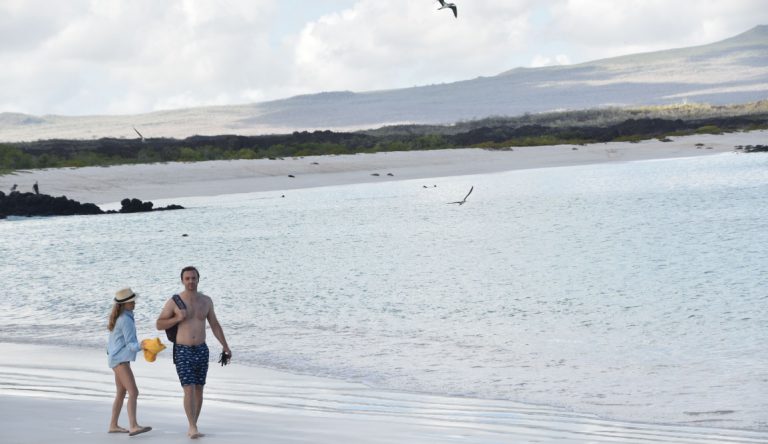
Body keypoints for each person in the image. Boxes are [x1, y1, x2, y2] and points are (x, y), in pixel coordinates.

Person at [156, 266, 231, 439]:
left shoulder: (206, 301)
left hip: (201, 349)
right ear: (182, 280)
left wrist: (225, 346)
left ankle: (194, 423)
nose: (190, 281)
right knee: (188, 388)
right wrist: (177, 318)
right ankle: (192, 426)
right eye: (187, 278)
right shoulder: (175, 301)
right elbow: (159, 324)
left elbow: (214, 325)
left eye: (193, 278)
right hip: (183, 350)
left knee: (199, 389)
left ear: (198, 279)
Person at [107, 288, 152, 436]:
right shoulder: (125, 320)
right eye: (130, 301)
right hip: (119, 359)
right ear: (124, 304)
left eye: (133, 300)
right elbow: (131, 344)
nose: (133, 303)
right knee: (133, 391)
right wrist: (143, 345)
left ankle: (113, 425)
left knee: (121, 392)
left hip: (116, 358)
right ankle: (133, 426)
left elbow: (115, 342)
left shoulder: (122, 316)